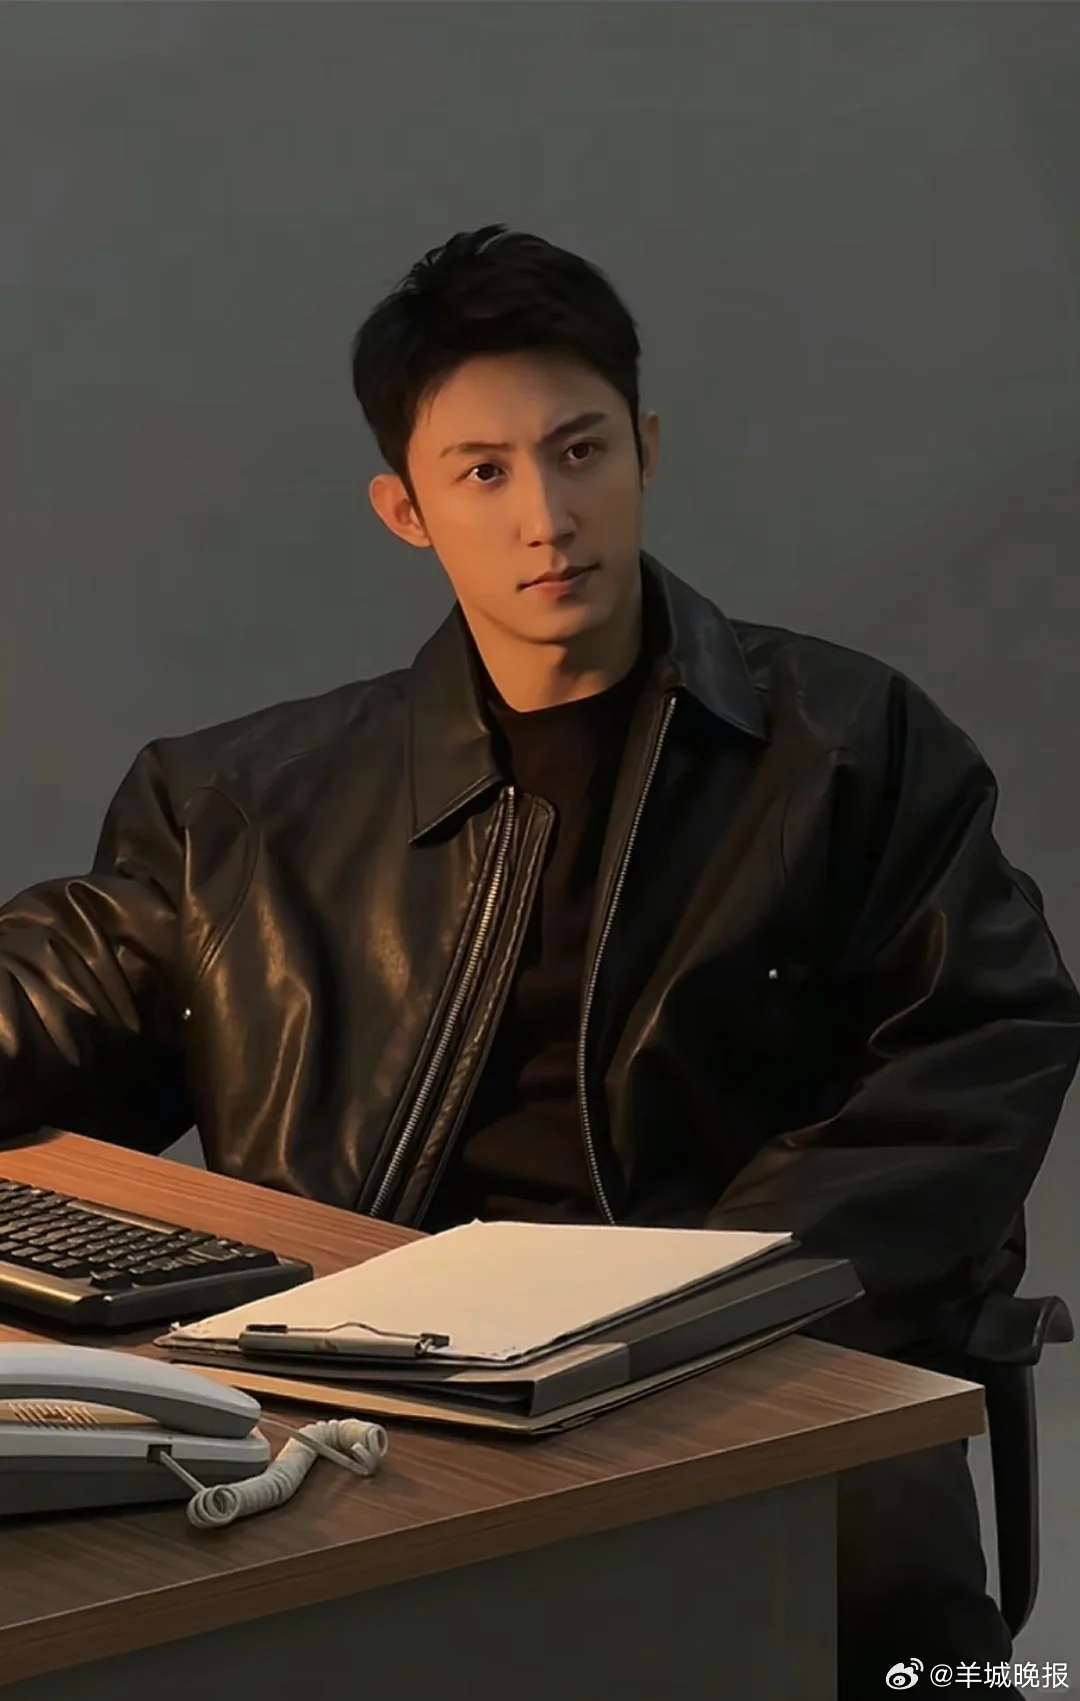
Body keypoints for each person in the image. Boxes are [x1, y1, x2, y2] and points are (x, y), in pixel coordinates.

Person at [2, 226, 1078, 1694]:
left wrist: (708, 1307)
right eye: (484, 472)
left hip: (752, 1354)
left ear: (645, 448)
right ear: (406, 508)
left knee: (889, 1604)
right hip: (370, 1385)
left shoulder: (849, 747)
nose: (547, 517)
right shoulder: (247, 807)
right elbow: (54, 996)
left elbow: (983, 1042)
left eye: (581, 452)